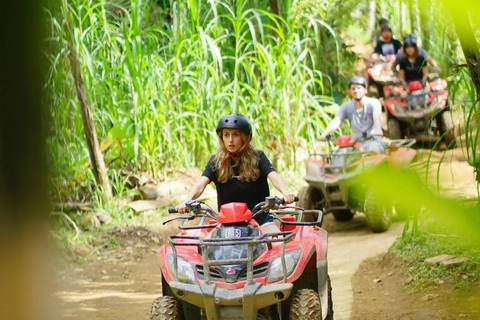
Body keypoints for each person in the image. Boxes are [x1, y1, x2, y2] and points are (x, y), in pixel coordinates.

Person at [175, 113, 296, 234]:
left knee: (278, 246)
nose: (230, 140)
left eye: (236, 135)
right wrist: (188, 200)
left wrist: (285, 192)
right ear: (221, 138)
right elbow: (200, 184)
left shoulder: (258, 157)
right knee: (204, 248)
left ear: (245, 137)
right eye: (226, 135)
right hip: (226, 225)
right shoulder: (216, 161)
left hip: (260, 222)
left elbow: (273, 176)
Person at [319, 76, 384, 153]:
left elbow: (377, 119)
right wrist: (324, 134)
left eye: (359, 88)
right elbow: (336, 121)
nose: (356, 91)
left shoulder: (374, 103)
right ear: (349, 91)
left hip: (373, 141)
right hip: (356, 143)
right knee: (339, 155)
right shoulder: (346, 106)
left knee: (373, 150)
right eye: (353, 88)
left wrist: (378, 132)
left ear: (365, 90)